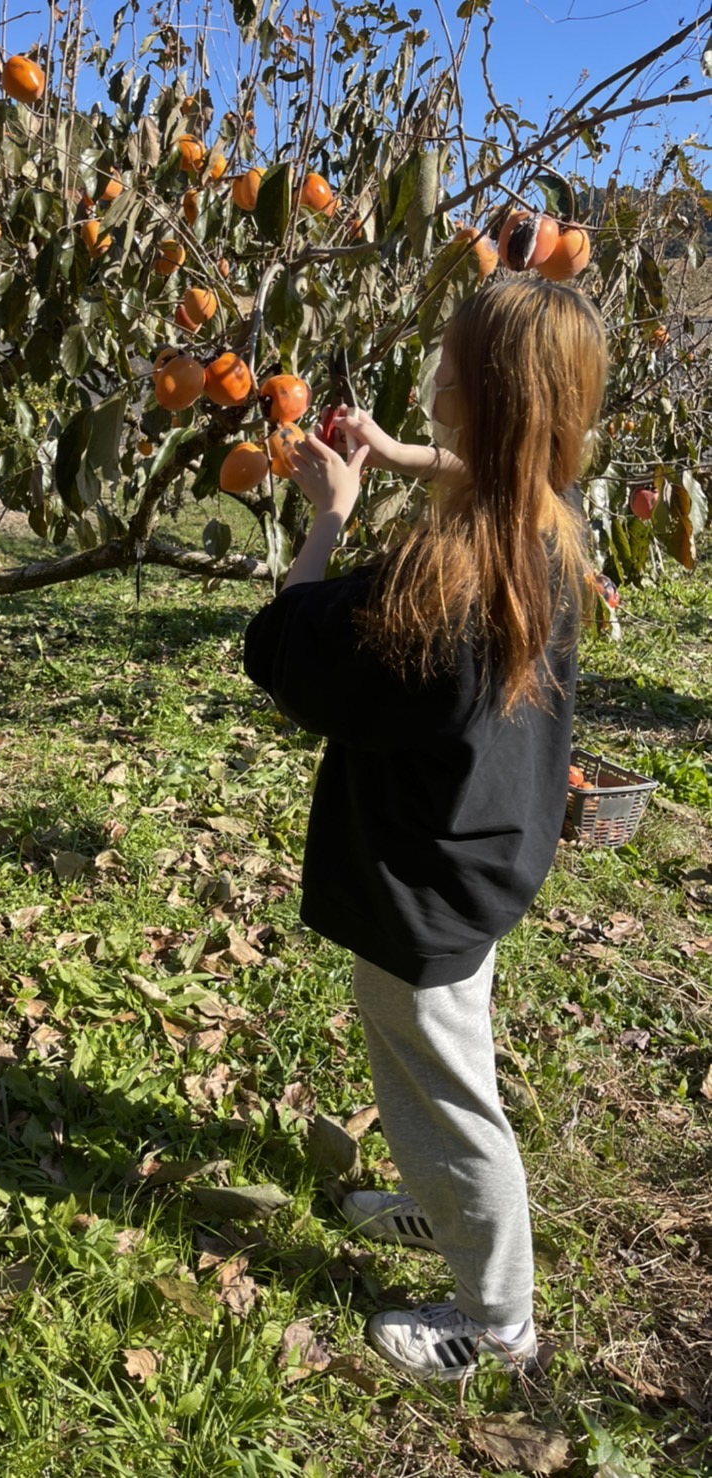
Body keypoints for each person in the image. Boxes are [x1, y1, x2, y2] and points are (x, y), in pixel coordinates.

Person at [242, 276, 608, 1384]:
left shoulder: (431, 583)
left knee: (446, 1086)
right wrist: (403, 458)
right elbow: (491, 475)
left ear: (485, 398)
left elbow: (286, 645)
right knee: (425, 1049)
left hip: (420, 881)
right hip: (478, 854)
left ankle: (498, 1318)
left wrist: (328, 517)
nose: (434, 375)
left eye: (451, 366)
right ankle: (437, 1202)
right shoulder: (536, 524)